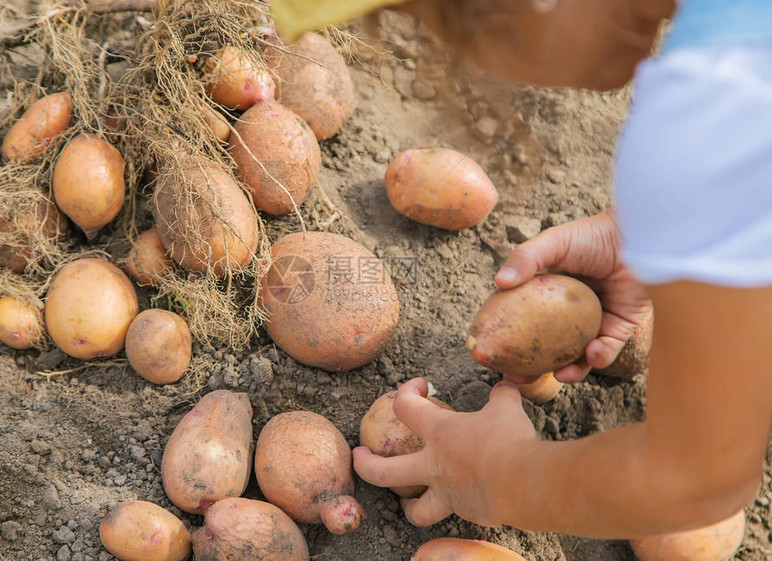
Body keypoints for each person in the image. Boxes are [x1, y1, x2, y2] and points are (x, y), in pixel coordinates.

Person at [277, 0, 772, 538]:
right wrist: (648, 229)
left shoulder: (714, 103)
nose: (465, 56)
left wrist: (502, 477)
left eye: (453, 22)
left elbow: (701, 477)